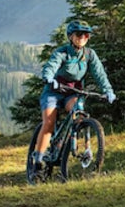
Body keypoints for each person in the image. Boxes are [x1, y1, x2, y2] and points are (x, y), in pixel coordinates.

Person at [30, 20, 116, 170]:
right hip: (53, 91)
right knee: (49, 123)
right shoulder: (62, 52)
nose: (83, 37)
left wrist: (108, 90)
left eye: (86, 35)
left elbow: (100, 74)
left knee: (78, 114)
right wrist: (49, 78)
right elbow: (51, 66)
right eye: (79, 34)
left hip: (73, 92)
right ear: (71, 36)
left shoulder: (89, 54)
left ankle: (72, 145)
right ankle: (38, 157)